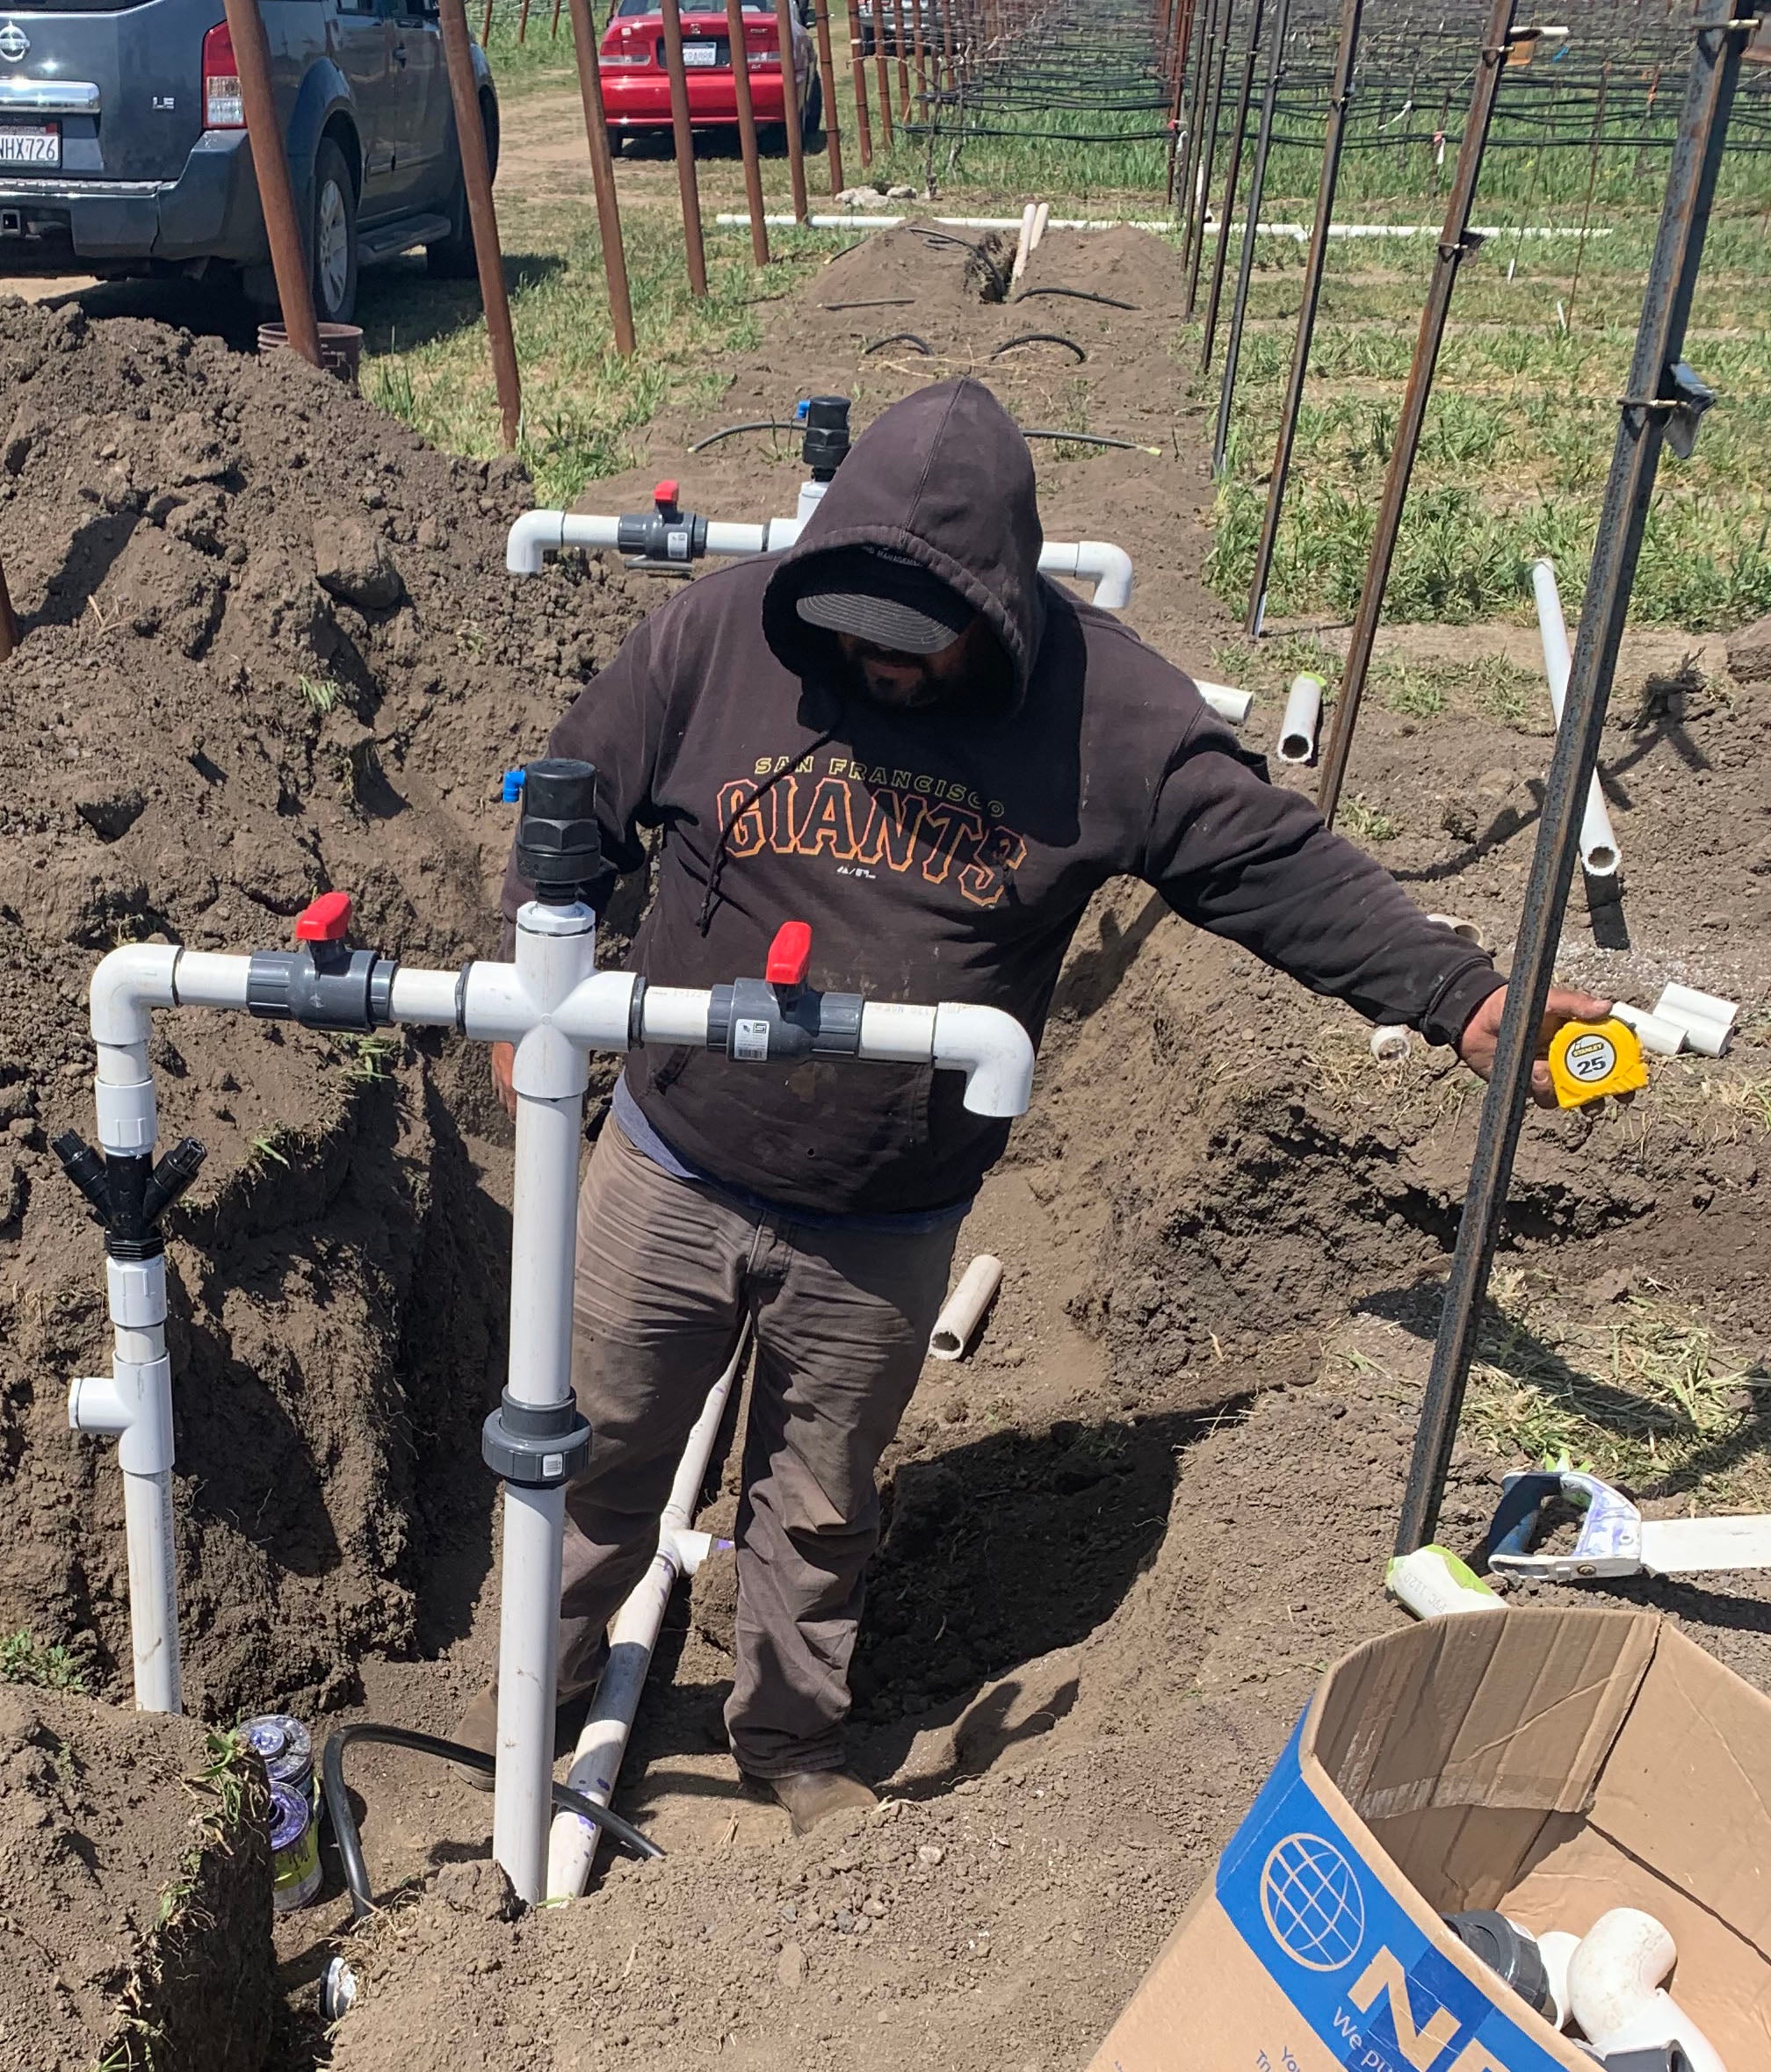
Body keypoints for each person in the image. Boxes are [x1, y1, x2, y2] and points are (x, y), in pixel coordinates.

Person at [478, 379, 1607, 1837]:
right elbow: (580, 790)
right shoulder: (720, 632)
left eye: (916, 648)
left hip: (888, 1214)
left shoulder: (1113, 716)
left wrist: (1460, 996)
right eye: (855, 640)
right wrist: (537, 960)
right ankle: (532, 1709)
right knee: (601, 1454)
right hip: (674, 1159)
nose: (879, 670)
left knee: (818, 1502)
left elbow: (1274, 869)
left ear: (1000, 610)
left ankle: (790, 1741)